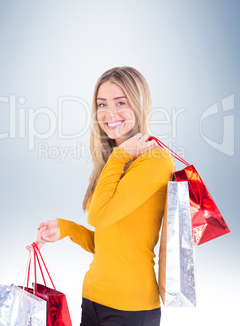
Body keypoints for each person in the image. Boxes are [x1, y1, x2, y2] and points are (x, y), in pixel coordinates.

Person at [27, 66, 174, 326]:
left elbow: (99, 216)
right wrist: (66, 228)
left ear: (140, 105)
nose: (109, 113)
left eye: (121, 102)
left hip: (130, 309)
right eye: (101, 104)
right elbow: (107, 243)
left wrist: (119, 156)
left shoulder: (156, 160)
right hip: (93, 300)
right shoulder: (113, 162)